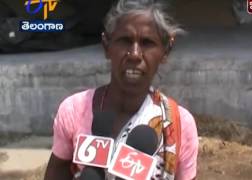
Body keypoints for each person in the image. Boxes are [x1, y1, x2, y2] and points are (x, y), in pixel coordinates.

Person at [44, 0, 198, 179]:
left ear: (165, 51)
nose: (134, 54)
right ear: (106, 46)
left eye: (147, 43)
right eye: (125, 41)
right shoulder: (74, 111)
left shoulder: (179, 124)